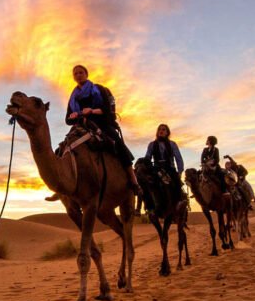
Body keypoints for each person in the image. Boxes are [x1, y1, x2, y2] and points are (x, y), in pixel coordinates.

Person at [65, 64, 141, 194]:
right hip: (81, 125)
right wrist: (74, 115)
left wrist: (92, 111)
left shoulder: (98, 89)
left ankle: (133, 180)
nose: (78, 75)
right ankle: (65, 184)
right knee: (63, 147)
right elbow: (67, 120)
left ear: (86, 74)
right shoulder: (73, 97)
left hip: (101, 123)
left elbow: (107, 109)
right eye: (75, 73)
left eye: (81, 72)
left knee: (118, 143)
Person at [145, 123, 185, 201]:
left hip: (169, 168)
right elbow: (147, 157)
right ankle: (148, 207)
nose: (161, 131)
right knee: (147, 184)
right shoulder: (152, 144)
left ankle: (179, 203)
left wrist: (180, 171)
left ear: (167, 132)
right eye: (159, 129)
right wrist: (147, 168)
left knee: (176, 183)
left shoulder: (172, 144)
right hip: (156, 169)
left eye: (163, 129)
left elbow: (178, 158)